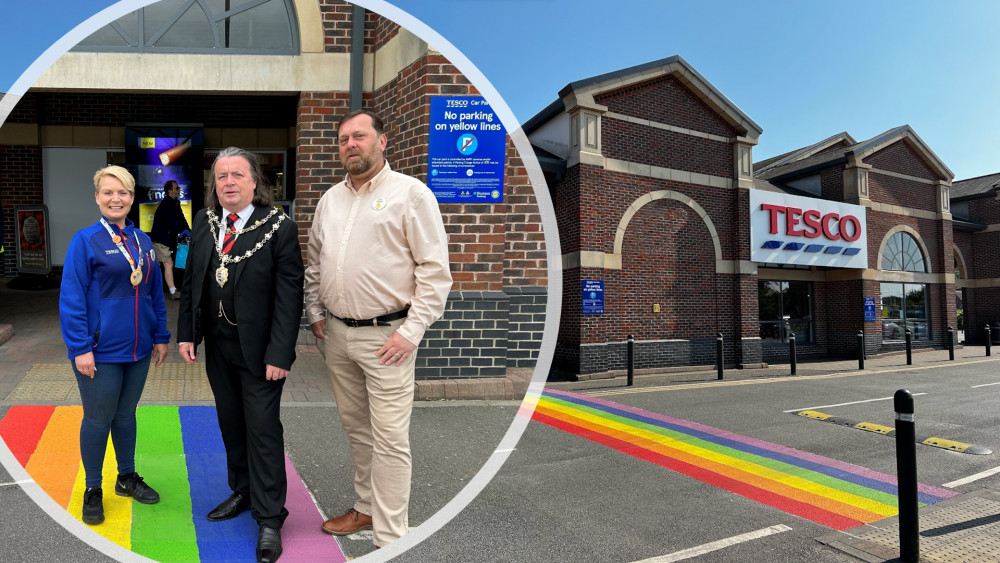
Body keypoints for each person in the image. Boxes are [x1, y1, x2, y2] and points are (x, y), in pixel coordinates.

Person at [305, 109, 452, 549]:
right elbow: (315, 261)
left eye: (359, 136)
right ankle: (366, 509)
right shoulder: (330, 199)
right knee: (357, 429)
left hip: (389, 338)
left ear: (382, 141)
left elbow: (435, 270)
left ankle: (390, 536)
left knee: (389, 437)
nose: (351, 144)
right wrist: (315, 312)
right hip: (336, 334)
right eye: (344, 139)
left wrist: (411, 331)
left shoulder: (412, 194)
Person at [177, 147, 303, 563]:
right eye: (222, 176)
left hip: (262, 352)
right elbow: (192, 280)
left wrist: (281, 353)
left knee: (263, 430)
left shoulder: (278, 227)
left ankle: (270, 518)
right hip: (219, 346)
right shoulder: (205, 221)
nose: (228, 182)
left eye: (237, 175)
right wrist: (187, 334)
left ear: (254, 182)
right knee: (230, 422)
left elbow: (290, 297)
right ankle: (244, 491)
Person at [59, 165, 169, 526]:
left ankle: (126, 477)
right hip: (100, 352)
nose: (115, 198)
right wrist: (80, 348)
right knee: (97, 418)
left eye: (122, 192)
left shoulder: (143, 242)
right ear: (97, 197)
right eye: (108, 192)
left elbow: (154, 293)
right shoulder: (85, 241)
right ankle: (93, 488)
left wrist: (161, 335)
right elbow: (72, 298)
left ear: (132, 198)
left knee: (125, 416)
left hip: (138, 350)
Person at [150, 179, 190, 300]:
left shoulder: (175, 203)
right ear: (170, 191)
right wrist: (182, 230)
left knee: (159, 264)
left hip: (164, 239)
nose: (179, 190)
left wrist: (188, 230)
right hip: (161, 239)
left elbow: (181, 218)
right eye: (176, 188)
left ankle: (151, 290)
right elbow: (172, 221)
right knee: (168, 263)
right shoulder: (167, 204)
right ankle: (172, 292)